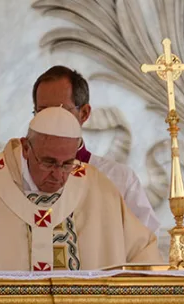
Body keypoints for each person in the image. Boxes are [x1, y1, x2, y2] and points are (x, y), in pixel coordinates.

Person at [0, 107, 162, 271]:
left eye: (67, 163)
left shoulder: (99, 189)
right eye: (49, 162)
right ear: (26, 148)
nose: (59, 174)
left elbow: (143, 254)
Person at [32, 65, 160, 233]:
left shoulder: (119, 180)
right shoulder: (18, 176)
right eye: (42, 112)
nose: (50, 120)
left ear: (84, 113)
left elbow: (146, 245)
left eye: (60, 111)